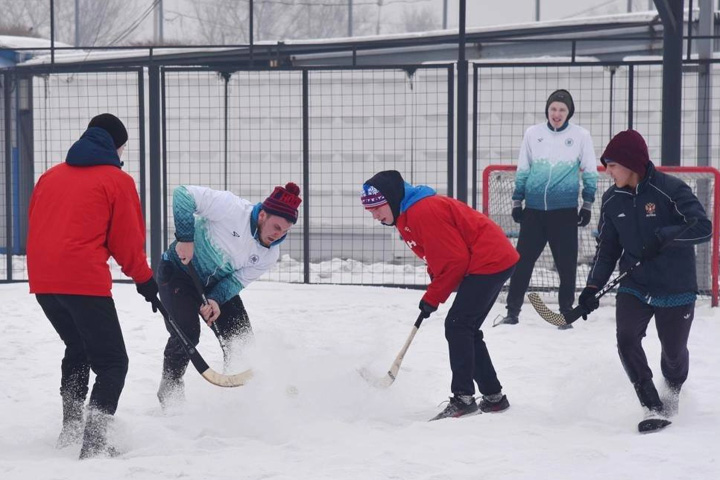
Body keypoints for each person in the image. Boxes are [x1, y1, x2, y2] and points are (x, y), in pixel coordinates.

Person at [27, 114, 159, 459]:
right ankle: (95, 444)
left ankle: (71, 429)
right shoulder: (116, 180)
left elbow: (39, 223)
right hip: (81, 281)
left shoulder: (50, 176)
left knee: (79, 347)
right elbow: (127, 242)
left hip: (43, 280)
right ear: (116, 146)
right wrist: (145, 280)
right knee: (113, 362)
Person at [578, 129, 712, 432]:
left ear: (631, 164)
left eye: (612, 165)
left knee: (674, 355)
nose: (608, 171)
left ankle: (673, 390)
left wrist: (665, 236)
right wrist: (591, 287)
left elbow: (703, 227)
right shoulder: (612, 199)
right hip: (635, 284)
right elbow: (607, 248)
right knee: (626, 338)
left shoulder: (671, 190)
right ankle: (652, 405)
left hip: (675, 285)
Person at [361, 170, 519, 421]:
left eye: (378, 208)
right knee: (465, 327)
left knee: (458, 326)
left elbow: (454, 261)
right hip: (488, 260)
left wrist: (433, 297)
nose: (375, 216)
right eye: (371, 211)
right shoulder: (407, 215)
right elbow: (437, 256)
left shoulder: (422, 212)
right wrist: (436, 287)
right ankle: (494, 397)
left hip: (489, 259)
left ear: (391, 199)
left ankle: (464, 400)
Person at [156, 182, 301, 408]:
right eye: (276, 226)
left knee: (240, 340)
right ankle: (170, 391)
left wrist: (214, 300)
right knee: (187, 334)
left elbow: (236, 281)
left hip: (214, 284)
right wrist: (185, 238)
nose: (278, 235)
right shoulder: (231, 208)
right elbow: (183, 195)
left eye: (285, 230)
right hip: (176, 274)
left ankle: (238, 401)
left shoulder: (269, 255)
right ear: (262, 214)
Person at [498, 89, 598, 329]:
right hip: (534, 211)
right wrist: (516, 201)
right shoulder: (533, 134)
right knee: (521, 262)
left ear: (569, 112)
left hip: (563, 212)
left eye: (562, 110)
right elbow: (523, 169)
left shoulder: (581, 136)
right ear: (547, 110)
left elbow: (590, 172)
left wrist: (586, 205)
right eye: (553, 109)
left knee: (566, 264)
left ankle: (565, 314)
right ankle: (512, 311)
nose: (557, 114)